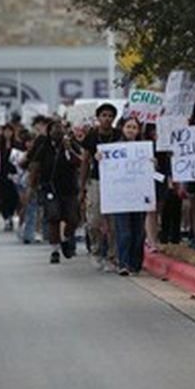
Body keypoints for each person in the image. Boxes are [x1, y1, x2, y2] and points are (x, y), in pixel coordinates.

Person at [108, 116, 152, 276]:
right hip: (121, 197)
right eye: (128, 127)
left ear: (138, 130)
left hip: (139, 196)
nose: (131, 130)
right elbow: (107, 168)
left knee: (138, 231)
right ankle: (123, 263)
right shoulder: (113, 148)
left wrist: (153, 163)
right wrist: (101, 158)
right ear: (122, 128)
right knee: (124, 231)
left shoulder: (145, 149)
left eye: (134, 127)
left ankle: (135, 264)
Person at [80, 103, 122, 270]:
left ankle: (112, 256)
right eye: (104, 115)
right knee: (94, 219)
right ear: (98, 118)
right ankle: (96, 250)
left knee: (113, 222)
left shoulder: (119, 135)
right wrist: (82, 186)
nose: (107, 119)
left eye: (110, 116)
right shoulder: (91, 136)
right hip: (96, 180)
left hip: (115, 181)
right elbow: (85, 161)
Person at [35, 119, 82, 264]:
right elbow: (36, 165)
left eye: (60, 129)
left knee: (73, 219)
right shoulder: (44, 147)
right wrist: (33, 186)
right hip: (50, 189)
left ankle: (66, 238)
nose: (58, 132)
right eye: (54, 129)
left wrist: (69, 149)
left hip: (69, 189)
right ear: (49, 132)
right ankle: (55, 250)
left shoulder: (71, 144)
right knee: (53, 217)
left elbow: (80, 162)